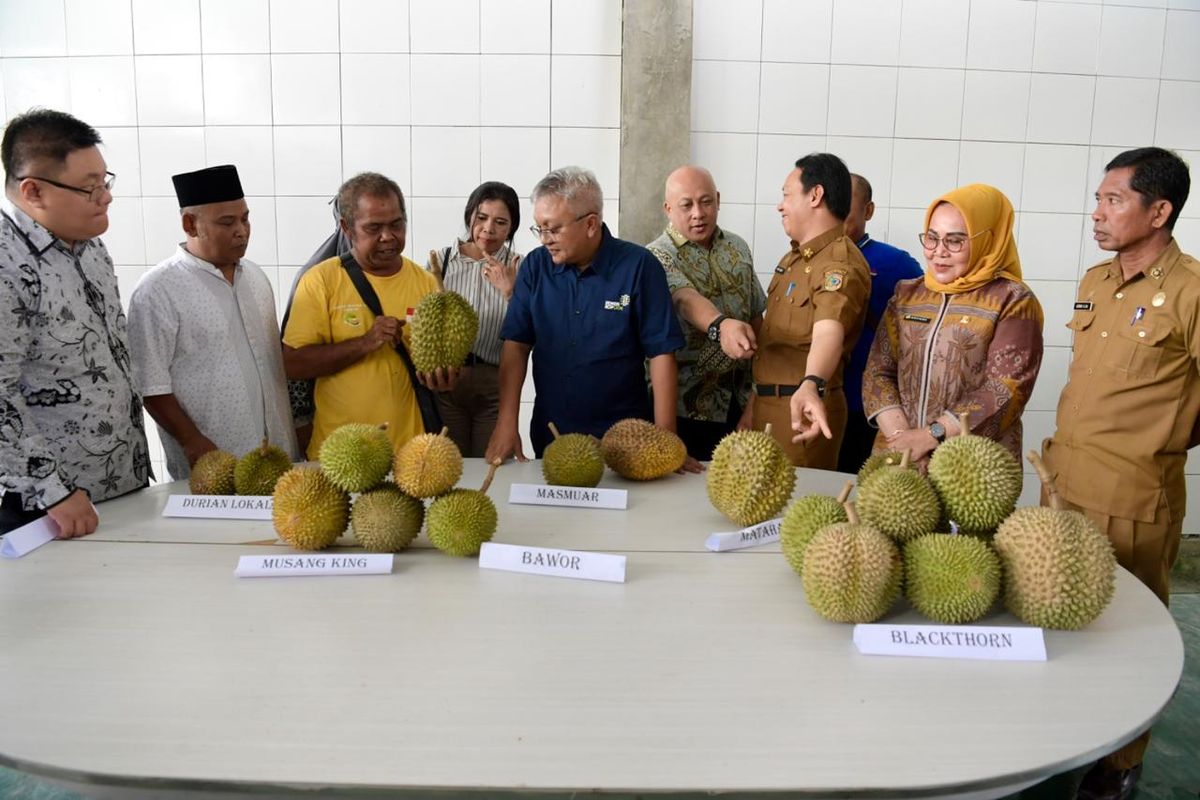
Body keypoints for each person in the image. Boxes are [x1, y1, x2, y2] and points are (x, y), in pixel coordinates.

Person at [1041, 147, 1193, 800]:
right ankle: (1062, 739)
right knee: (1058, 620)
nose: (1097, 214)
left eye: (1114, 201)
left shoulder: (1191, 291)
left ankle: (1118, 767)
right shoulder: (1096, 282)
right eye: (1098, 199)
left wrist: (1167, 441)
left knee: (1129, 639)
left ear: (1158, 211)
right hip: (1063, 486)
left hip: (1133, 497)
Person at [0, 109, 149, 537]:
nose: (105, 197)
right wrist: (53, 491)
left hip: (117, 485)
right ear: (33, 191)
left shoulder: (90, 248)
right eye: (89, 188)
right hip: (47, 511)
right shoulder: (9, 265)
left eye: (105, 182)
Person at [484, 166, 689, 464]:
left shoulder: (639, 267)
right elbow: (516, 347)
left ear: (591, 224)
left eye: (553, 229)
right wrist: (506, 424)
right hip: (552, 434)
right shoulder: (535, 269)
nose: (544, 239)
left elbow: (661, 353)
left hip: (625, 440)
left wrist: (666, 438)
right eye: (539, 228)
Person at [127, 165, 299, 480]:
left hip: (276, 459)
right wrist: (192, 442)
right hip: (213, 463)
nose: (242, 231)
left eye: (246, 218)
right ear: (190, 224)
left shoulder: (257, 278)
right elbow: (150, 385)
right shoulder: (157, 290)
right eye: (227, 222)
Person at [863, 184, 1043, 469]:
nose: (939, 252)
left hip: (971, 467)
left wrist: (931, 435)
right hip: (899, 460)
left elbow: (1006, 388)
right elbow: (878, 371)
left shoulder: (1011, 299)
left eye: (955, 240)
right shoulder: (908, 294)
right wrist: (903, 438)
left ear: (988, 240)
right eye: (932, 238)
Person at [282, 172, 446, 458]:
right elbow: (293, 364)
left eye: (396, 224)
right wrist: (365, 342)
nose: (388, 237)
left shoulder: (426, 283)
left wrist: (444, 377)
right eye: (373, 228)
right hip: (340, 455)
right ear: (347, 228)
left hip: (410, 452)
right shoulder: (320, 281)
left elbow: (439, 363)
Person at [752, 152, 870, 468]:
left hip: (802, 412)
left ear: (815, 195)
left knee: (794, 513)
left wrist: (811, 383)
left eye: (786, 195)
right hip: (765, 407)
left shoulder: (838, 264)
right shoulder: (794, 259)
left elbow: (829, 329)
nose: (780, 205)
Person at [646, 165, 764, 460]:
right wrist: (721, 326)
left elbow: (757, 321)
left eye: (706, 201)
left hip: (741, 404)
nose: (698, 213)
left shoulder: (737, 248)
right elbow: (684, 299)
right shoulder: (655, 256)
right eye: (686, 205)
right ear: (668, 208)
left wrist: (755, 402)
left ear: (718, 200)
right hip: (685, 408)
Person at [425, 182, 523, 457]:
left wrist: (510, 291)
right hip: (446, 384)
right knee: (449, 465)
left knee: (488, 463)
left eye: (500, 222)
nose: (488, 229)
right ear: (469, 216)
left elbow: (534, 329)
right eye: (481, 218)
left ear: (511, 228)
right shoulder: (439, 262)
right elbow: (419, 318)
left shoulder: (520, 267)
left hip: (494, 383)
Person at [836, 173, 922, 474]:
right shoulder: (810, 259)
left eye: (845, 207)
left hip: (870, 405)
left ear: (868, 211)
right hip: (820, 399)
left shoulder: (896, 264)